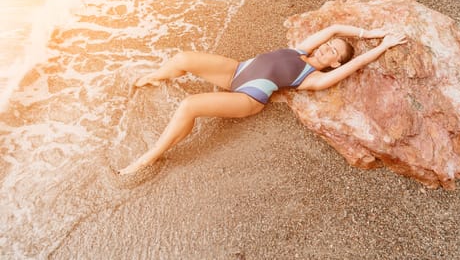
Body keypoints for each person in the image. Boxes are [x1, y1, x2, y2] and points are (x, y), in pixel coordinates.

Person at [118, 24, 407, 175]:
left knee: (189, 106)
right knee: (183, 59)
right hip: (236, 71)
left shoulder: (313, 78)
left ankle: (151, 155)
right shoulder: (301, 50)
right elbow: (333, 29)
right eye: (328, 46)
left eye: (333, 53)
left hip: (249, 97)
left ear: (334, 64)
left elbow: (352, 66)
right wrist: (367, 33)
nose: (327, 49)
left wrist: (381, 46)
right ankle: (154, 76)